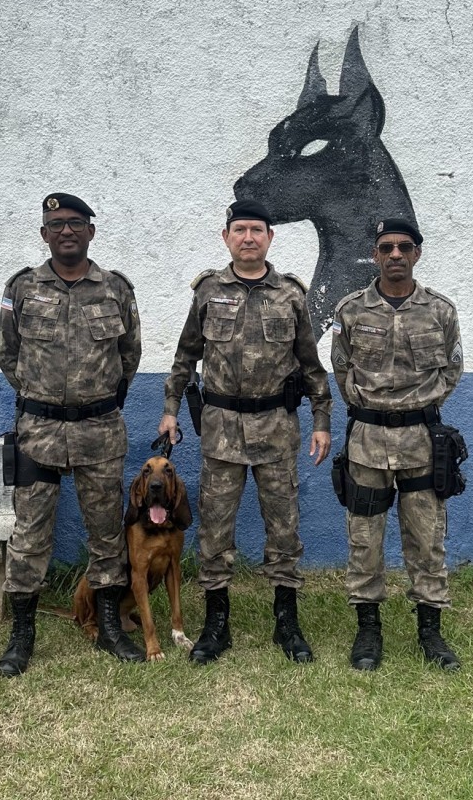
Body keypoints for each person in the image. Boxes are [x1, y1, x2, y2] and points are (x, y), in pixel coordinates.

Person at [158, 199, 332, 665]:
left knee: (284, 529)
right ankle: (217, 623)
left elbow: (312, 366)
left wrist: (321, 421)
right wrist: (170, 410)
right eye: (240, 230)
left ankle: (286, 620)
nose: (248, 237)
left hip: (276, 431)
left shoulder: (291, 294)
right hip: (221, 434)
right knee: (215, 530)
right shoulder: (208, 292)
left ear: (270, 237)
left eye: (257, 229)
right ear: (226, 237)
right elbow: (184, 357)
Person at [0, 192, 145, 676]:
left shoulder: (115, 289)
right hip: (37, 433)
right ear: (44, 234)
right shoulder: (22, 287)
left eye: (76, 222)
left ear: (90, 232)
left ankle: (109, 627)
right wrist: (41, 400)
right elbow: (7, 353)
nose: (66, 230)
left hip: (99, 432)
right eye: (56, 223)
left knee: (106, 533)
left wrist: (98, 401)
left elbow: (130, 354)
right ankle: (22, 635)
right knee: (29, 535)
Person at [331, 218, 464, 672]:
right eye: (386, 247)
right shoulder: (351, 310)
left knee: (427, 539)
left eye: (404, 247)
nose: (395, 254)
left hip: (422, 442)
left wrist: (417, 408)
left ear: (416, 254)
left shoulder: (440, 311)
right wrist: (373, 409)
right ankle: (368, 630)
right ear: (375, 255)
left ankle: (431, 631)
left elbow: (451, 370)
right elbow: (342, 369)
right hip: (367, 440)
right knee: (364, 539)